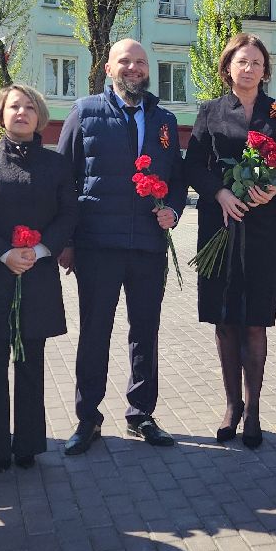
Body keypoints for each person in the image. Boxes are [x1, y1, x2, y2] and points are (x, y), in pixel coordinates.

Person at [57, 39, 187, 455]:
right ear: (109, 67)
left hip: (148, 246)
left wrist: (174, 211)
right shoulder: (85, 112)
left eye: (141, 63)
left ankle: (141, 413)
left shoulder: (164, 120)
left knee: (145, 334)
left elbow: (178, 179)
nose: (134, 68)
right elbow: (65, 181)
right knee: (95, 333)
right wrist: (67, 242)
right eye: (125, 62)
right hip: (98, 246)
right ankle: (87, 418)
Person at [186, 33, 276, 449]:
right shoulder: (210, 111)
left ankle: (253, 410)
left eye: (255, 62)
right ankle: (231, 405)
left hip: (264, 225)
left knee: (254, 320)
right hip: (220, 223)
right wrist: (219, 192)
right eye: (241, 61)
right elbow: (194, 165)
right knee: (224, 319)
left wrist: (274, 188)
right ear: (228, 67)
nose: (248, 68)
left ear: (265, 70)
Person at [0, 85, 76, 469]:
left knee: (30, 361)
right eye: (14, 106)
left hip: (37, 276)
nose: (22, 112)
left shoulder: (57, 163)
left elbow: (69, 214)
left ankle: (28, 445)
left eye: (29, 106)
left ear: (40, 115)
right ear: (1, 113)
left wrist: (41, 250)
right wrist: (3, 253)